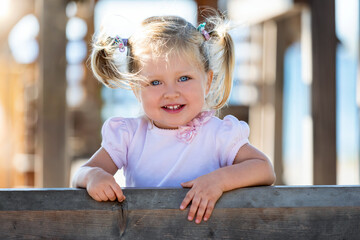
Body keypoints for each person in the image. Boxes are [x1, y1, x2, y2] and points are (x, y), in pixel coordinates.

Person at [72, 14, 276, 224]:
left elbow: (263, 168)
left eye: (184, 78)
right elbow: (82, 172)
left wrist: (219, 181)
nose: (171, 93)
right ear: (136, 90)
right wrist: (93, 177)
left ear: (207, 81)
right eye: (155, 82)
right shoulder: (128, 136)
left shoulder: (218, 134)